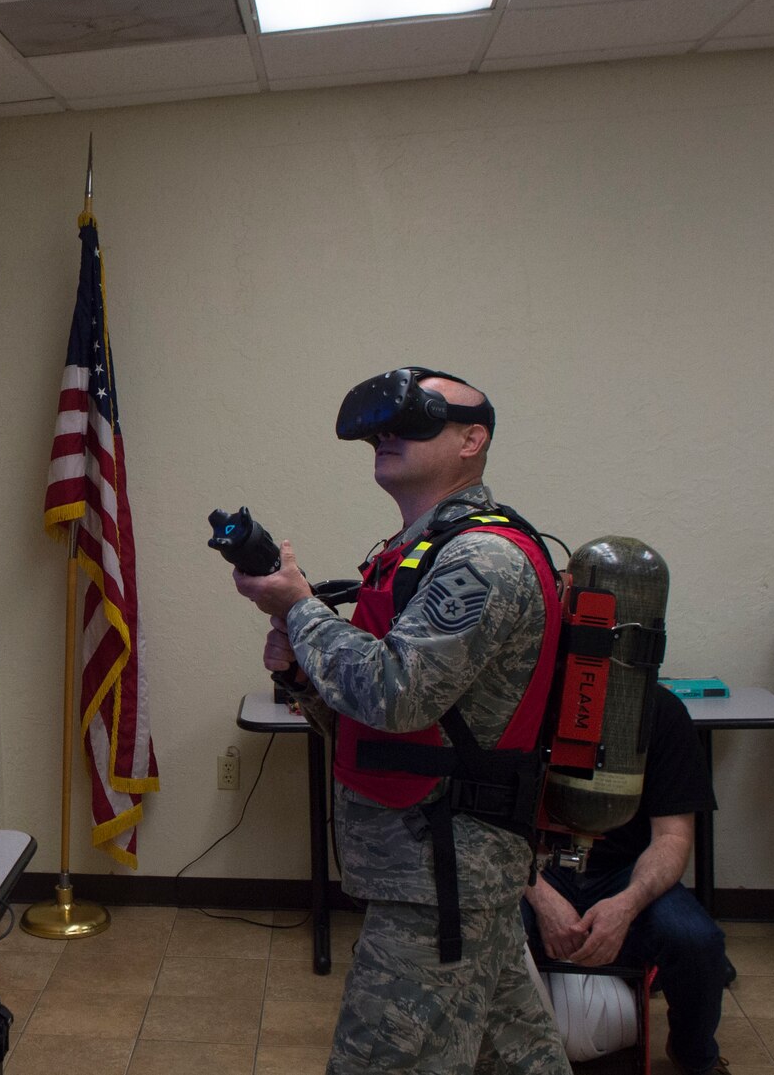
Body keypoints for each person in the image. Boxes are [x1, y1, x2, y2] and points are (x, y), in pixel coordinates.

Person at [233, 367, 568, 1074]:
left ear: (473, 439)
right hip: (439, 870)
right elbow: (384, 731)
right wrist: (302, 674)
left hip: (441, 875)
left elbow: (395, 692)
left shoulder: (480, 559)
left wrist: (298, 608)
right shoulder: (418, 552)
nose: (387, 437)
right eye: (382, 428)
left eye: (417, 423)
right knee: (519, 1060)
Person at [524, 686, 729, 1073]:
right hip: (533, 868)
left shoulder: (660, 712)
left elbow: (672, 837)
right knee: (476, 925)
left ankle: (694, 1055)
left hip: (624, 874)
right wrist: (539, 893)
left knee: (696, 942)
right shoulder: (520, 698)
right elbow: (483, 832)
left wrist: (627, 905)